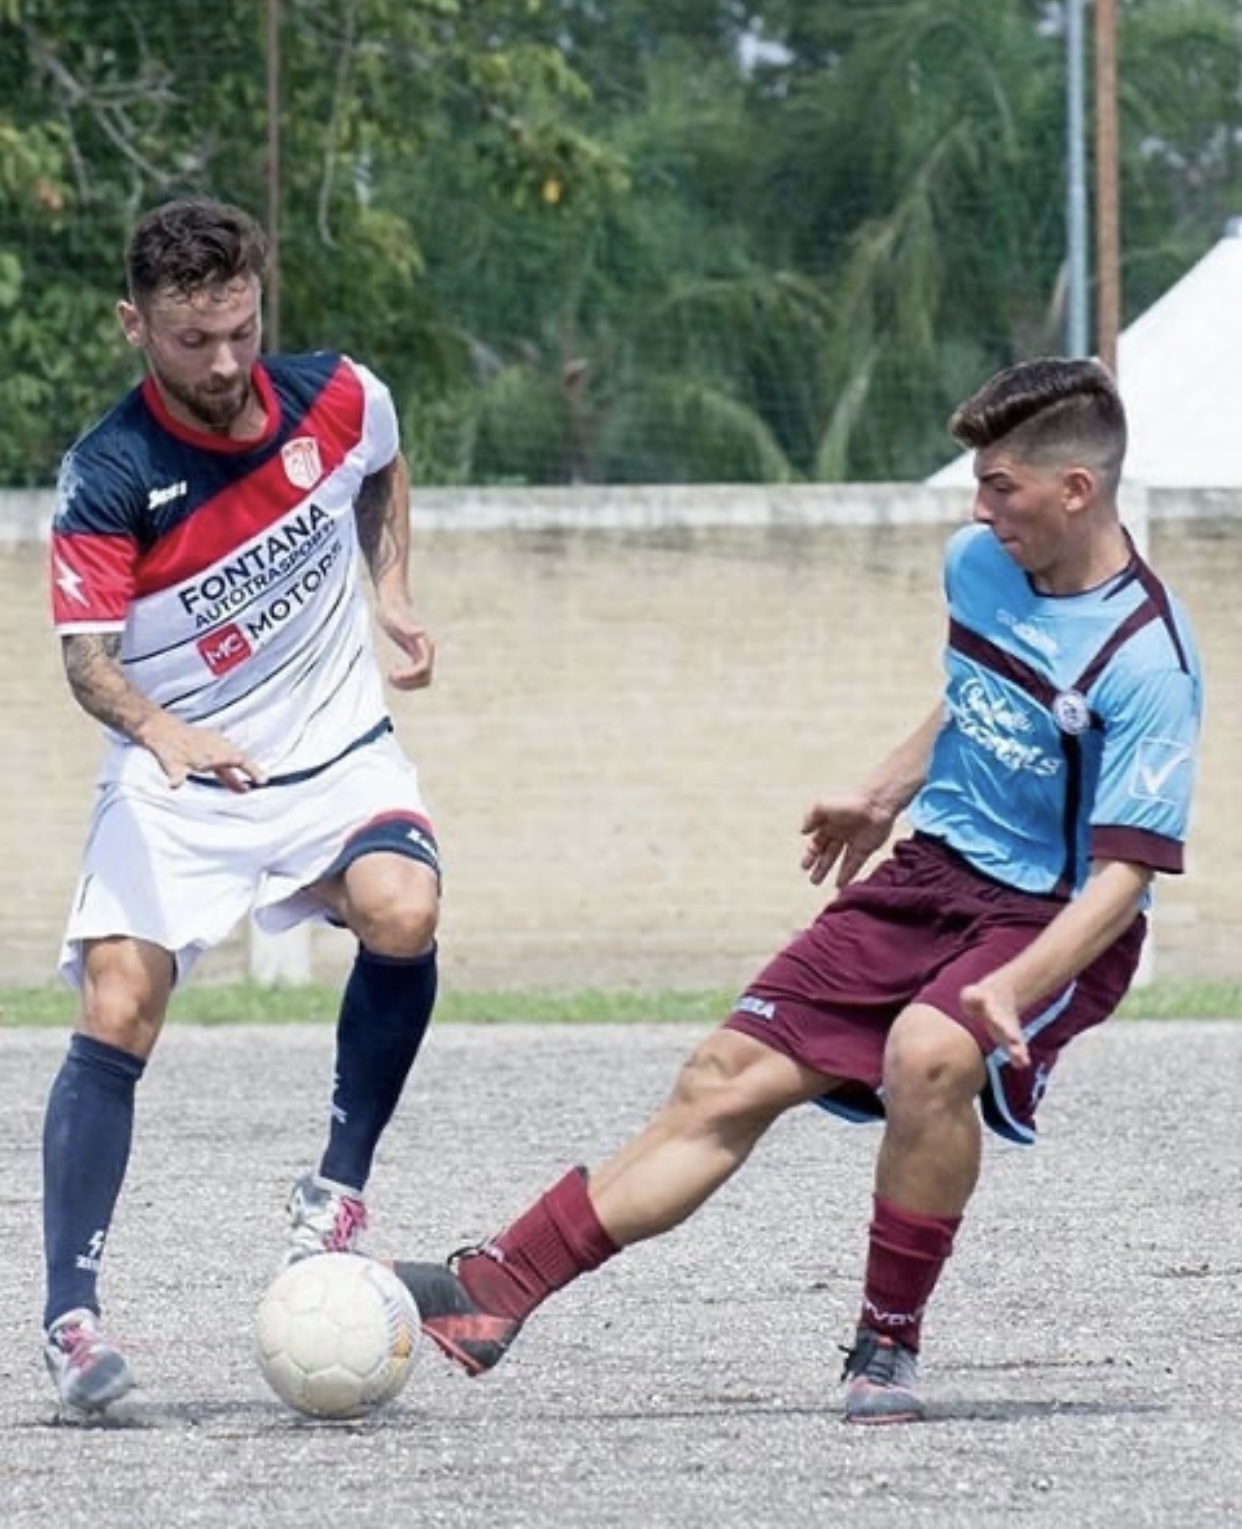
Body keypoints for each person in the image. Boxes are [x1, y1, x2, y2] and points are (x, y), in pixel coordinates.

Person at [390, 356, 1202, 1424]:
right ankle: (494, 1287)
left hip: (1052, 915)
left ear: (1074, 490)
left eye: (1000, 484)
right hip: (929, 875)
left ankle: (886, 1346)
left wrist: (1021, 982)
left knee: (928, 1051)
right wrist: (882, 786)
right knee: (725, 1072)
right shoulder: (979, 565)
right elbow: (977, 695)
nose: (978, 505)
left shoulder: (1148, 658)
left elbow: (1126, 875)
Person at [43, 196, 442, 1414]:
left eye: (239, 330)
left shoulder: (337, 395)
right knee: (122, 1002)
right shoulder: (110, 473)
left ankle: (335, 1191)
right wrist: (168, 732)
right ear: (134, 325)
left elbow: (381, 465)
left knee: (404, 907)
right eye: (189, 340)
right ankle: (72, 1318)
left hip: (332, 748)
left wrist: (392, 591)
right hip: (182, 775)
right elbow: (87, 659)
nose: (222, 363)